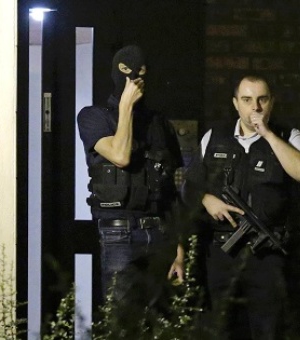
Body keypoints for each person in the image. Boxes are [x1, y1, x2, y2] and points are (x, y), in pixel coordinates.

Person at [181, 73, 300, 339]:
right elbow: (189, 186)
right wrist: (206, 199)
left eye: (262, 99)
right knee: (221, 329)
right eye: (247, 100)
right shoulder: (215, 137)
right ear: (236, 103)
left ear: (271, 102)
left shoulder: (287, 136)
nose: (255, 107)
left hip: (268, 255)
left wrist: (268, 135)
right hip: (222, 253)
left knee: (269, 330)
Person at [76, 44, 185, 308]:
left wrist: (179, 250)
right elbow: (121, 155)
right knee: (122, 323)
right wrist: (126, 107)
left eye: (143, 71)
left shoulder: (159, 124)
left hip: (159, 233)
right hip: (119, 236)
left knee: (160, 323)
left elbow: (172, 190)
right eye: (129, 71)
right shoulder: (93, 117)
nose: (137, 77)